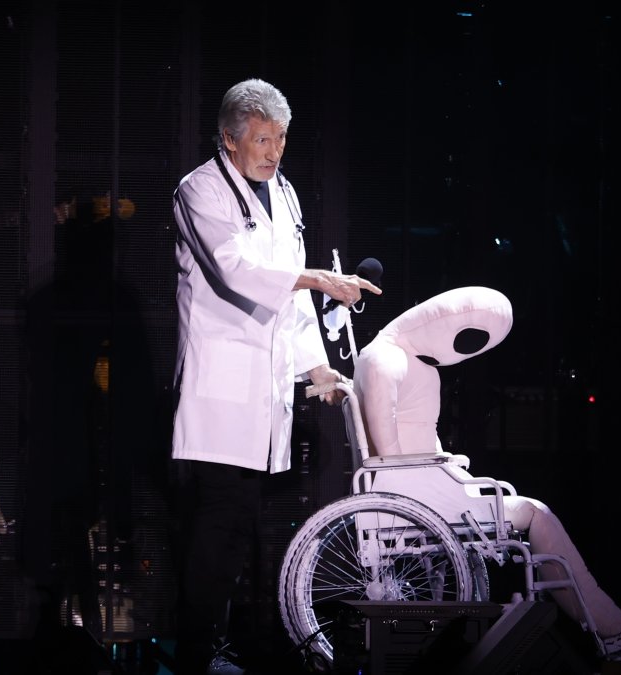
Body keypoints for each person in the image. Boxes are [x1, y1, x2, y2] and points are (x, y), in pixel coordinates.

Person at [170, 78, 381, 675]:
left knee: (242, 530)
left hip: (264, 391)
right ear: (229, 140)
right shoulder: (200, 190)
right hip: (220, 388)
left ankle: (223, 646)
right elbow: (238, 271)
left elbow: (289, 294)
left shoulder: (282, 193)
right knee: (220, 528)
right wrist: (318, 279)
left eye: (281, 138)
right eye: (262, 139)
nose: (274, 151)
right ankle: (196, 653)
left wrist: (318, 367)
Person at [352, 286, 621, 661]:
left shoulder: (405, 362)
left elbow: (409, 449)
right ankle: (612, 630)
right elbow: (393, 462)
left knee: (532, 513)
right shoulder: (387, 360)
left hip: (428, 489)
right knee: (536, 513)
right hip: (417, 496)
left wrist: (446, 464)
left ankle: (604, 625)